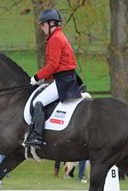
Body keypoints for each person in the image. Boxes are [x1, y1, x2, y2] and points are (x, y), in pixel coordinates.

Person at [23, 8, 83, 149]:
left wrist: (36, 77)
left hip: (63, 80)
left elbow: (52, 65)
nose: (42, 28)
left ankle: (36, 137)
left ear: (51, 23)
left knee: (38, 102)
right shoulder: (59, 36)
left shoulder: (55, 39)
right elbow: (56, 65)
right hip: (65, 77)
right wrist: (45, 79)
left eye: (43, 25)